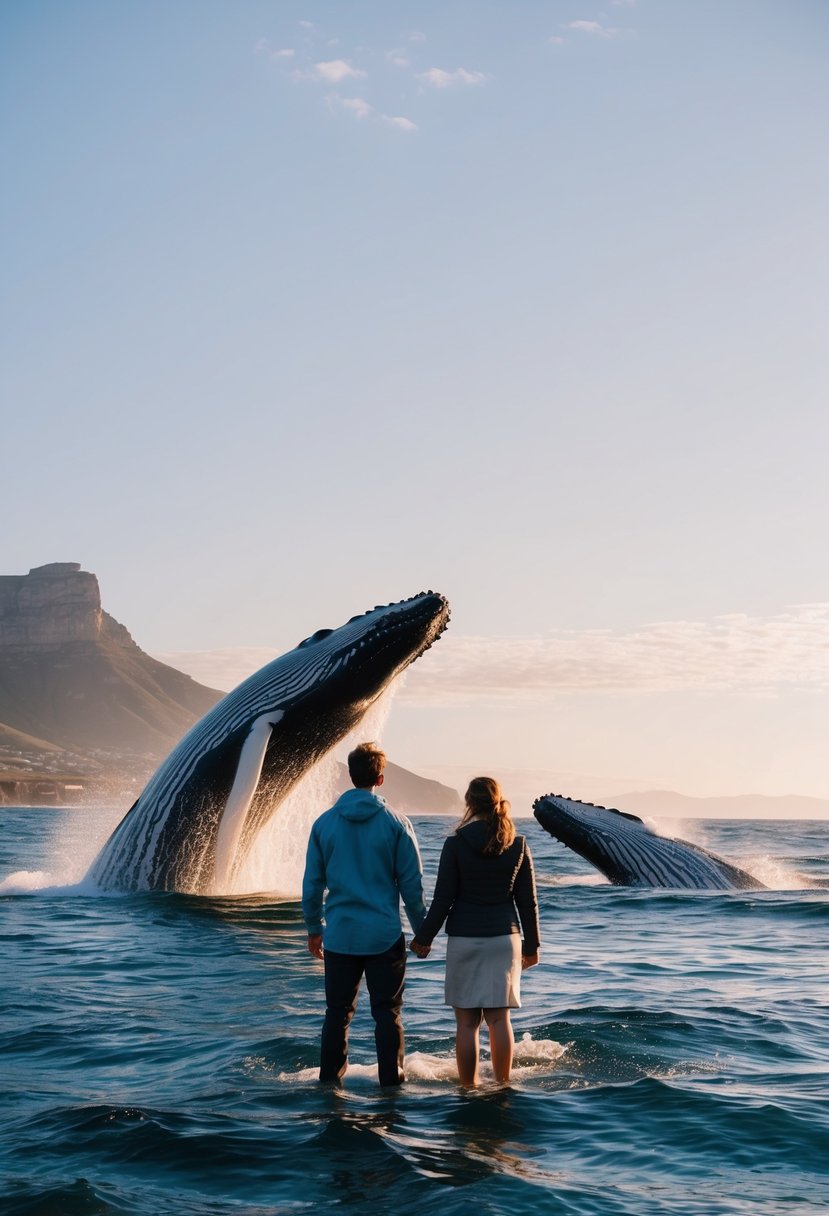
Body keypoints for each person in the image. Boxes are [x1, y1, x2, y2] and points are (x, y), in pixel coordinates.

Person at [302, 741, 427, 1086]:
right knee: (387, 1013)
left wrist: (314, 928)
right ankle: (392, 1087)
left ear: (350, 775)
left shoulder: (324, 824)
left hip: (340, 936)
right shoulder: (397, 824)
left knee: (337, 1015)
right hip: (384, 935)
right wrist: (422, 933)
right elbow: (412, 887)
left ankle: (330, 1086)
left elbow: (312, 885)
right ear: (380, 779)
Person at [410, 776, 540, 1088]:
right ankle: (503, 1086)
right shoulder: (518, 844)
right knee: (499, 1020)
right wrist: (532, 946)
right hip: (504, 940)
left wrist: (423, 938)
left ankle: (468, 1089)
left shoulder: (455, 844)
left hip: (464, 940)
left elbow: (443, 899)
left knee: (467, 1024)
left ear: (469, 803)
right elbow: (528, 902)